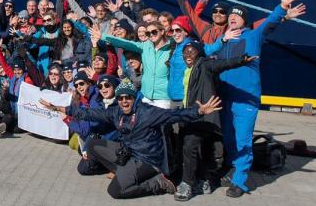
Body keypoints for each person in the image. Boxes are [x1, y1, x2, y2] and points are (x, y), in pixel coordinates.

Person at [40, 81, 223, 199]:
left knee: (115, 191)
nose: (124, 101)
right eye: (121, 98)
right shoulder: (116, 111)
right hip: (128, 153)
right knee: (93, 144)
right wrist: (60, 108)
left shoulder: (147, 113)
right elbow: (91, 113)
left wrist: (199, 111)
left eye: (128, 97)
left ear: (134, 99)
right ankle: (121, 171)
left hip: (147, 160)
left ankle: (157, 183)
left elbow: (174, 115)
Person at [204, 0, 300, 197]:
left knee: (243, 139)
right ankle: (231, 168)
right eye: (230, 16)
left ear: (244, 21)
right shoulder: (224, 40)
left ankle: (240, 181)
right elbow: (206, 53)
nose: (231, 19)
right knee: (228, 137)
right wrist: (222, 40)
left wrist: (283, 6)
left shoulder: (254, 36)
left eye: (236, 16)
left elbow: (271, 23)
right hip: (225, 97)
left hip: (245, 98)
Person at [174, 41, 256, 201]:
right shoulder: (188, 70)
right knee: (204, 149)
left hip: (204, 116)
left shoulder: (204, 65)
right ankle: (204, 182)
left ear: (199, 54)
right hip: (193, 115)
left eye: (192, 51)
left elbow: (221, 64)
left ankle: (187, 184)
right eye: (185, 52)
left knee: (190, 146)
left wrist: (240, 60)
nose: (188, 55)